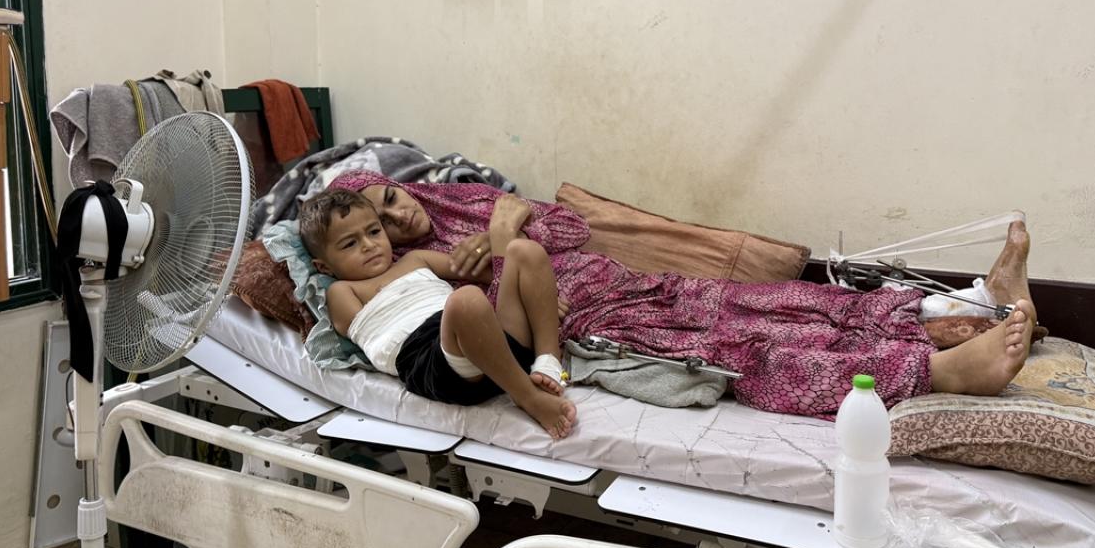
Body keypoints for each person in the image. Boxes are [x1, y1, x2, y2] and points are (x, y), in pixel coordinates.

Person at [328, 170, 1037, 420]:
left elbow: (569, 229)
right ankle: (935, 372)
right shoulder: (415, 268)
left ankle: (969, 303)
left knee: (776, 302)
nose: (394, 221)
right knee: (745, 350)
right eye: (374, 226)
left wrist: (503, 225)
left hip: (624, 281)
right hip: (592, 322)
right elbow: (459, 321)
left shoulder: (471, 202)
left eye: (390, 201)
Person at [298, 189, 577, 438]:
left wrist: (534, 292)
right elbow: (360, 333)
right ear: (324, 267)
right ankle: (528, 397)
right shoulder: (342, 291)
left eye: (373, 232)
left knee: (524, 251)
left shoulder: (415, 259)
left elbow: (494, 272)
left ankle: (548, 362)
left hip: (494, 345)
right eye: (350, 244)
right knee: (467, 300)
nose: (369, 245)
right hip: (435, 362)